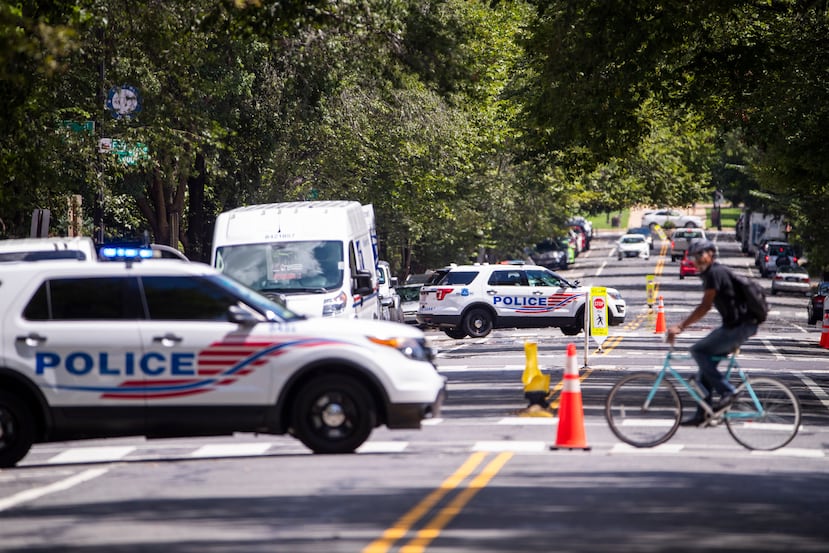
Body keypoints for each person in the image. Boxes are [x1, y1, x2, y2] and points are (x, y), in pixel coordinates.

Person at [666, 239, 760, 426]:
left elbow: (705, 306)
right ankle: (704, 414)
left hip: (740, 326)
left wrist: (680, 327)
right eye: (694, 256)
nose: (697, 259)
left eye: (701, 254)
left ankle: (728, 391)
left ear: (711, 255)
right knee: (704, 370)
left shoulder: (714, 273)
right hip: (735, 326)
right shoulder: (712, 273)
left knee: (698, 351)